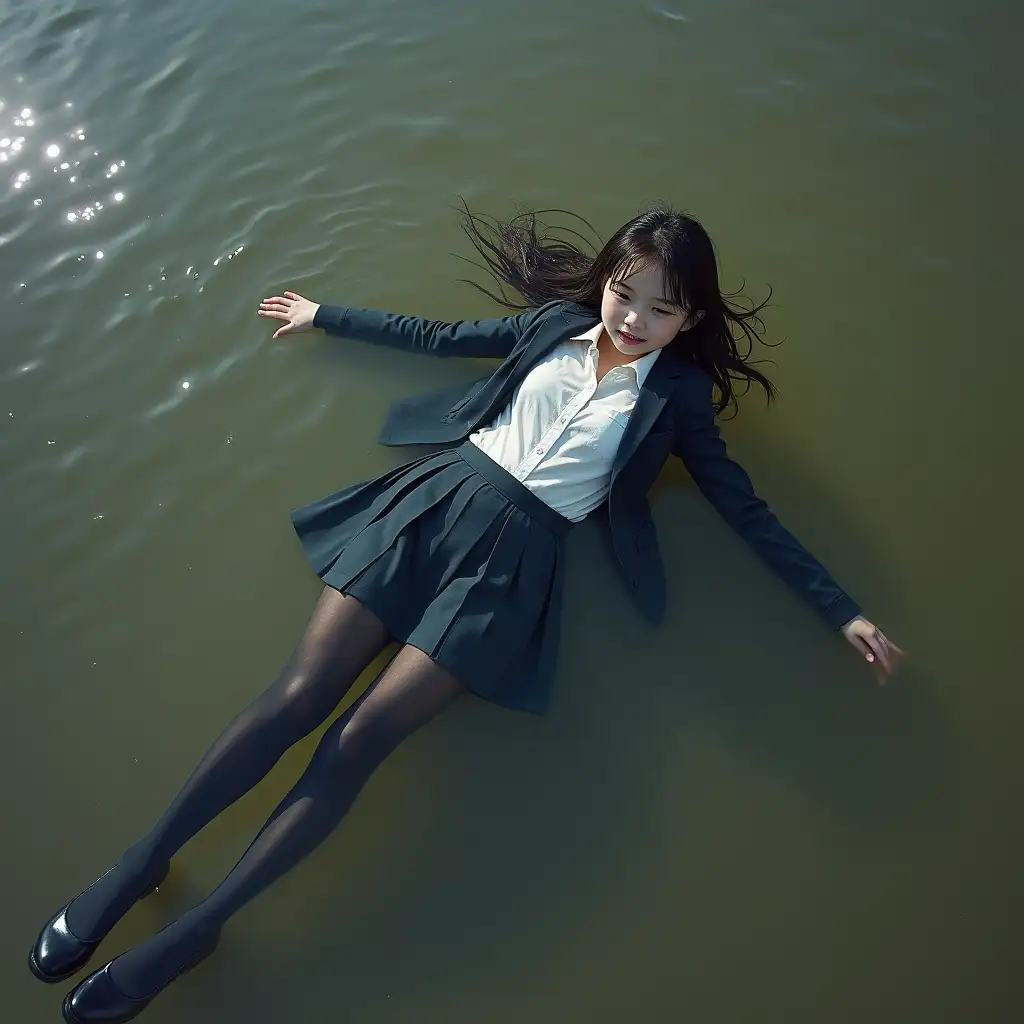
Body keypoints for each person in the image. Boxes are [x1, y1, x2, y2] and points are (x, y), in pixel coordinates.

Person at [31, 204, 902, 1022]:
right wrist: (325, 314)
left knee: (357, 742)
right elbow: (442, 338)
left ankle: (200, 927)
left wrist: (842, 612)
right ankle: (141, 864)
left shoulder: (678, 402)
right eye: (623, 292)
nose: (633, 318)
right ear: (605, 279)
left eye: (661, 309)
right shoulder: (549, 329)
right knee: (297, 694)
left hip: (516, 561)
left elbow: (743, 507)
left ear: (691, 319)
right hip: (434, 503)